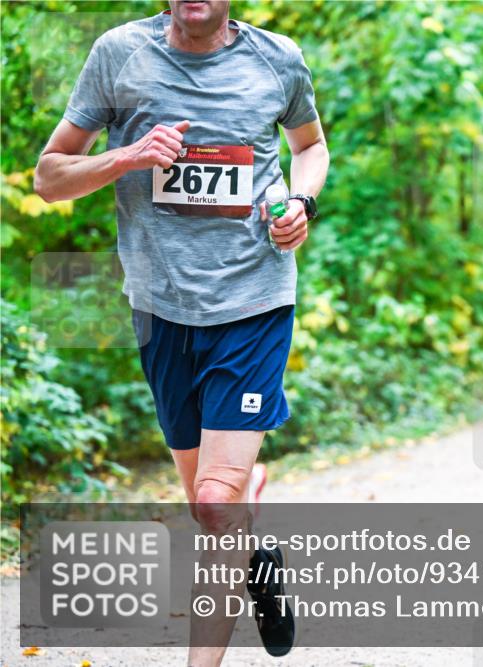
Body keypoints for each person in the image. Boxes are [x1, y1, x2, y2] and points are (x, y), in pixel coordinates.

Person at [34, 1, 329, 663]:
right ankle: (258, 558)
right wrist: (129, 157)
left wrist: (302, 204)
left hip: (254, 300)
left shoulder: (276, 58)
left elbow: (309, 147)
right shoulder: (120, 56)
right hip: (161, 308)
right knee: (208, 507)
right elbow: (49, 177)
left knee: (216, 504)